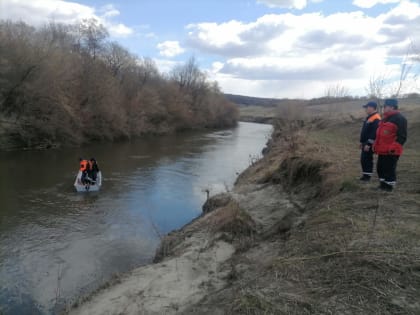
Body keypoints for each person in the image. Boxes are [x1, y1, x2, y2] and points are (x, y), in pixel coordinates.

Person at [373, 98, 407, 191]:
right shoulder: (385, 118)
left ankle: (389, 187)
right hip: (382, 149)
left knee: (389, 168)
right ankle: (382, 185)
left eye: (385, 106)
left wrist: (393, 148)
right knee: (380, 168)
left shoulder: (400, 118)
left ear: (392, 107)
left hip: (391, 150)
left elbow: (402, 136)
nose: (383, 108)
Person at [359, 101, 381, 181]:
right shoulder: (370, 117)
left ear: (372, 107)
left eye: (367, 107)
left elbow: (374, 133)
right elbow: (365, 131)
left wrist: (368, 144)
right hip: (365, 142)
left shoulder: (376, 118)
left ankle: (367, 177)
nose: (365, 109)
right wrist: (362, 142)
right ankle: (365, 175)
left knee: (367, 159)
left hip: (369, 143)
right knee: (364, 159)